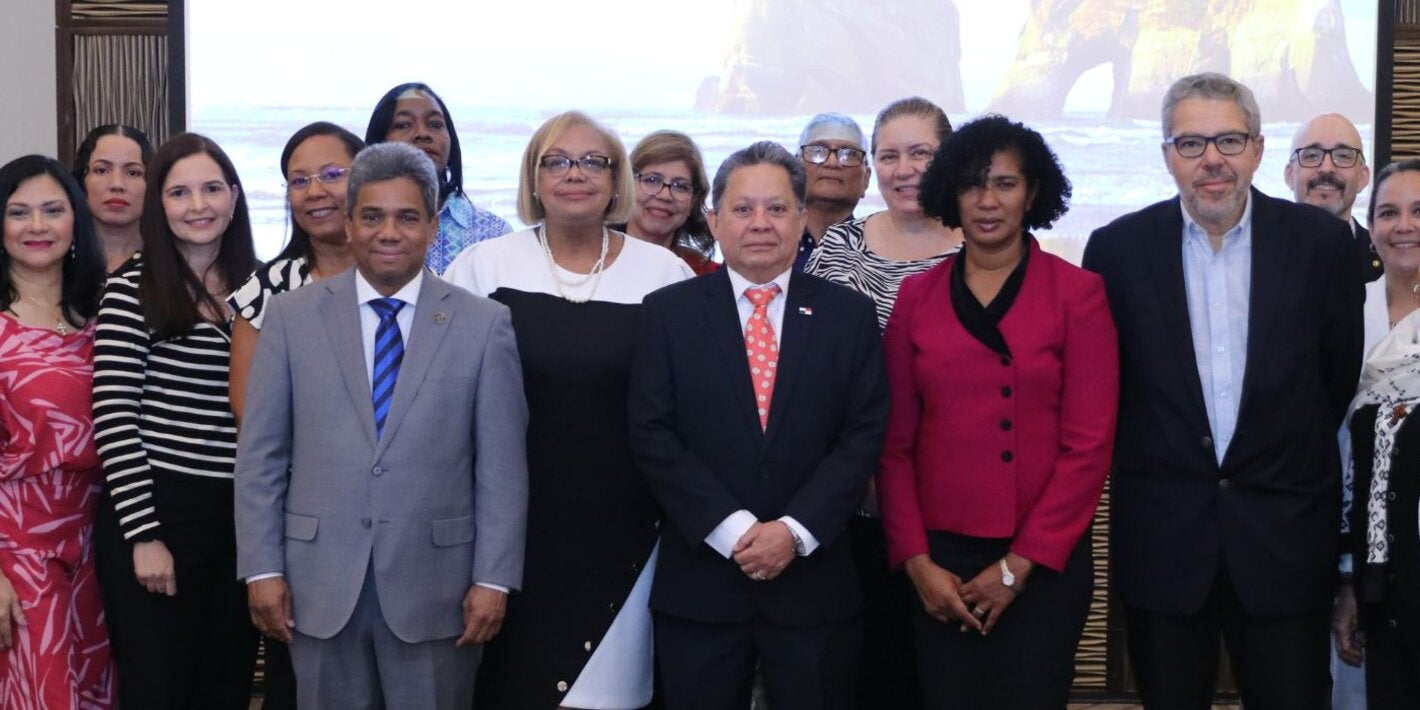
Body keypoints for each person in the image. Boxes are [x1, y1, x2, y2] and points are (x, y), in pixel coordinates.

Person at [1082, 73, 1364, 709]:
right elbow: (1112, 391)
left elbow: (1335, 380)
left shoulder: (1321, 246)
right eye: (1190, 143)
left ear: (1259, 150)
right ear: (1166, 156)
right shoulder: (1117, 251)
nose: (1212, 159)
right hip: (1165, 547)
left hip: (1285, 546)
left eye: (1229, 140)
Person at [234, 142, 529, 709]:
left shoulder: (483, 325)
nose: (387, 231)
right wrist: (261, 568)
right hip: (316, 586)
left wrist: (494, 579)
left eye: (407, 217)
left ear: (432, 225)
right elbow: (261, 457)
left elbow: (501, 468)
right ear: (348, 223)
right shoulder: (293, 318)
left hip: (438, 589)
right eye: (371, 216)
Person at [628, 141, 890, 710]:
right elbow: (652, 433)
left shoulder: (849, 315)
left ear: (801, 219)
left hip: (814, 587)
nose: (761, 224)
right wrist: (734, 532)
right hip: (702, 586)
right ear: (715, 220)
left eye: (777, 209)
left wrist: (793, 533)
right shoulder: (667, 312)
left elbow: (863, 434)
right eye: (743, 209)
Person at [444, 111, 692, 710]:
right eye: (557, 161)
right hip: (511, 528)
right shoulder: (483, 266)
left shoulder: (665, 274)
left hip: (632, 527)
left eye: (592, 162)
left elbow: (692, 410)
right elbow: (445, 400)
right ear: (534, 177)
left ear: (616, 180)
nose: (574, 174)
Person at [876, 115, 1117, 708]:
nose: (988, 202)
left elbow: (1089, 446)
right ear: (950, 195)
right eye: (972, 184)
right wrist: (915, 562)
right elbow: (894, 443)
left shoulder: (1078, 293)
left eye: (1006, 184)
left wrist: (1017, 567)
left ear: (1033, 193)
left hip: (1041, 561)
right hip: (941, 566)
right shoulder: (917, 295)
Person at [91, 133, 261, 708]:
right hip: (157, 510)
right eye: (180, 192)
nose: (199, 205)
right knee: (159, 690)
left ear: (235, 198)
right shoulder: (131, 289)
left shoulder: (259, 290)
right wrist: (144, 536)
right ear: (159, 205)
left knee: (225, 686)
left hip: (237, 517)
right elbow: (114, 417)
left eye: (212, 189)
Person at [798, 97, 955, 710]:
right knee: (869, 676)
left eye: (921, 153)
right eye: (889, 155)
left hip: (955, 512)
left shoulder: (991, 247)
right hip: (854, 509)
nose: (904, 169)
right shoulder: (839, 248)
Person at [226, 121, 363, 710]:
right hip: (305, 535)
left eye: (333, 174)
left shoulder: (411, 279)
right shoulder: (267, 291)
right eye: (298, 180)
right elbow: (252, 424)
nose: (316, 191)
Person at [0, 155, 115, 708]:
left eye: (52, 210)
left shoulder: (105, 313)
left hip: (98, 542)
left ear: (76, 222)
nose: (37, 226)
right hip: (17, 549)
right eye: (18, 212)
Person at [1335, 159, 1420, 709]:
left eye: (1419, 211)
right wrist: (1348, 578)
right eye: (1388, 212)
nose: (1404, 226)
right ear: (1369, 228)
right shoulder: (1344, 311)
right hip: (1374, 563)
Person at [364, 82, 511, 273]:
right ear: (378, 143)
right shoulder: (357, 230)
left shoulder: (494, 234)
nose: (422, 134)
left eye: (435, 124)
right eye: (403, 125)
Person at [1284, 113, 1381, 282]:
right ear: (1290, 175)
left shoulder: (1387, 259)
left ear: (1362, 178)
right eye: (1312, 155)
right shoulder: (1258, 252)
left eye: (1343, 156)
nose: (1327, 168)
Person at [619, 129, 719, 274]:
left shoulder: (708, 277)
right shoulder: (586, 262)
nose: (665, 196)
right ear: (627, 184)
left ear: (693, 201)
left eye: (680, 186)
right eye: (652, 180)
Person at [71, 124, 153, 274]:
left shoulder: (170, 264)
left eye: (133, 173)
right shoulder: (57, 260)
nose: (117, 184)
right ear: (81, 180)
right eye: (101, 170)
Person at [795, 112, 872, 269]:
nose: (832, 162)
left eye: (849, 154)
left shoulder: (881, 252)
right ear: (795, 169)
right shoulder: (768, 245)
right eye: (817, 151)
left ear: (866, 179)